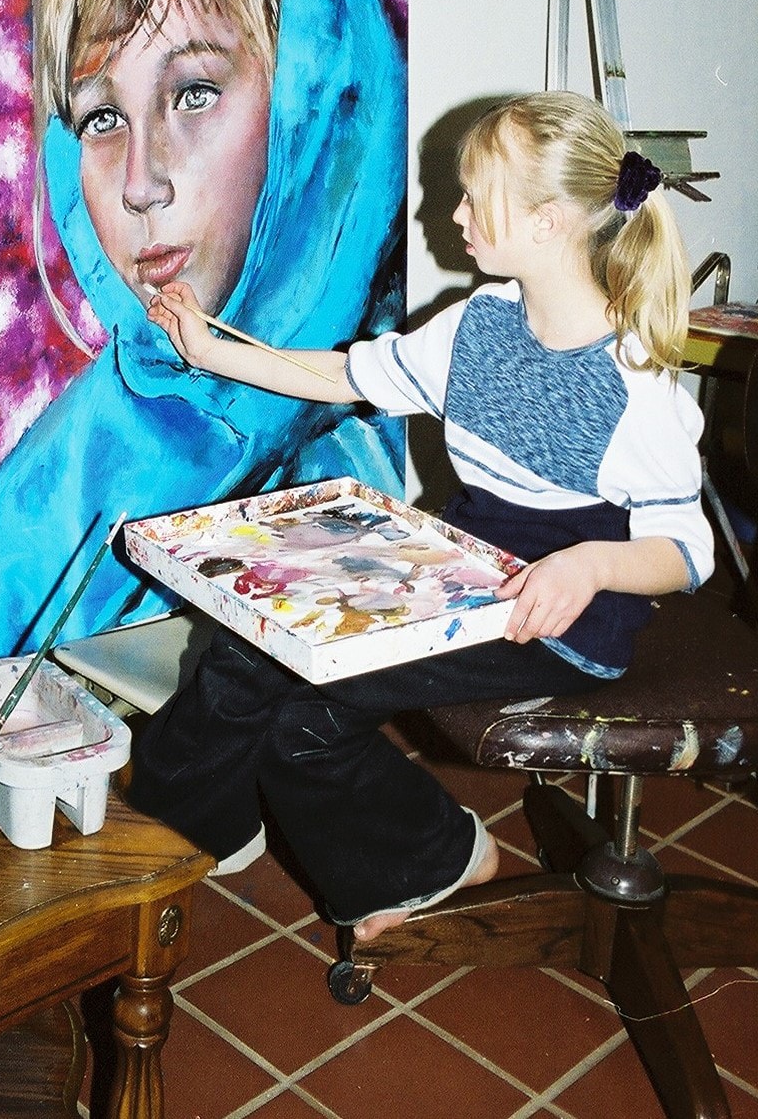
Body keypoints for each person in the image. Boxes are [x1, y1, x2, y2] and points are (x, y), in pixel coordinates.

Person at [129, 90, 715, 942]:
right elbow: (348, 375)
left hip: (556, 616)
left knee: (306, 723)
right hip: (460, 563)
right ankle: (197, 827)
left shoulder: (632, 385)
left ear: (547, 223)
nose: (455, 214)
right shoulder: (477, 324)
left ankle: (438, 858)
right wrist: (207, 348)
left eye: (475, 197)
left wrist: (589, 565)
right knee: (250, 639)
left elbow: (686, 549)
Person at [0, 0, 406, 659]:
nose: (140, 183)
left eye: (193, 93)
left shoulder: (379, 456)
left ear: (313, 102)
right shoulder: (75, 466)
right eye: (101, 118)